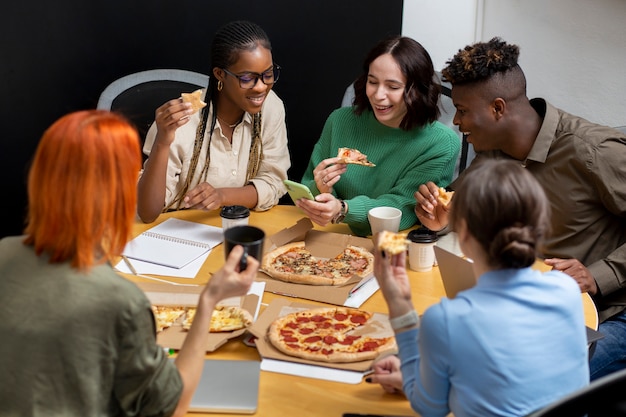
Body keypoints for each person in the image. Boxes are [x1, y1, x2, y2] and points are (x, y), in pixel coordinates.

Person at [0, 110, 259, 416]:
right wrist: (210, 300)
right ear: (118, 192)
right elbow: (173, 407)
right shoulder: (122, 302)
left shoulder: (4, 251)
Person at [414, 37, 626, 381]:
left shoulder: (593, 151)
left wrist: (597, 274)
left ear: (498, 109)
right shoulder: (493, 149)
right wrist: (441, 221)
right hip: (534, 305)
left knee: (529, 377)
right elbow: (455, 212)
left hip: (611, 311)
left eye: (464, 111)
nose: (457, 123)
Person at [373, 159, 589, 417]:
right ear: (541, 228)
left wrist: (401, 309)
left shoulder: (446, 320)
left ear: (462, 235)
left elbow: (430, 408)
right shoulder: (565, 290)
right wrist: (416, 378)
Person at [297, 36, 460, 237]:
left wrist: (343, 209)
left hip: (393, 246)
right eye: (372, 82)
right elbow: (307, 187)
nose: (378, 95)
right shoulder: (339, 120)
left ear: (417, 90)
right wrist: (321, 190)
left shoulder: (441, 143)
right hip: (328, 235)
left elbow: (401, 207)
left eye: (392, 87)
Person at [137, 20, 290, 223]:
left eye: (268, 75)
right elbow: (147, 213)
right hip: (173, 232)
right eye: (247, 78)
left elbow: (274, 182)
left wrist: (222, 196)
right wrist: (163, 141)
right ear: (220, 75)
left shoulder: (271, 107)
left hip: (234, 227)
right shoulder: (181, 122)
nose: (261, 87)